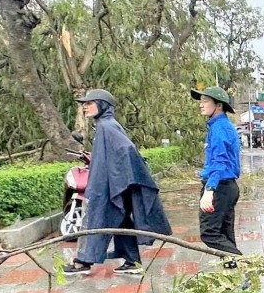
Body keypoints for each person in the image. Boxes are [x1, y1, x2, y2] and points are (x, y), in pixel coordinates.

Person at [63, 89, 171, 276]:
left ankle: (83, 261)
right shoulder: (105, 125)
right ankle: (132, 261)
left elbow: (126, 150)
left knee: (97, 220)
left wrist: (118, 178)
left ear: (103, 105)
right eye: (84, 103)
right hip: (110, 184)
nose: (85, 106)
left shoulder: (107, 126)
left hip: (108, 186)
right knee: (119, 221)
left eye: (90, 103)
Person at [192, 86, 242, 259]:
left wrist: (209, 190)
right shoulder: (221, 126)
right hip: (227, 187)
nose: (201, 104)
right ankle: (234, 277)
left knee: (210, 233)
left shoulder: (220, 128)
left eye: (205, 101)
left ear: (218, 105)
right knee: (225, 235)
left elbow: (219, 162)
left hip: (219, 187)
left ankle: (246, 267)